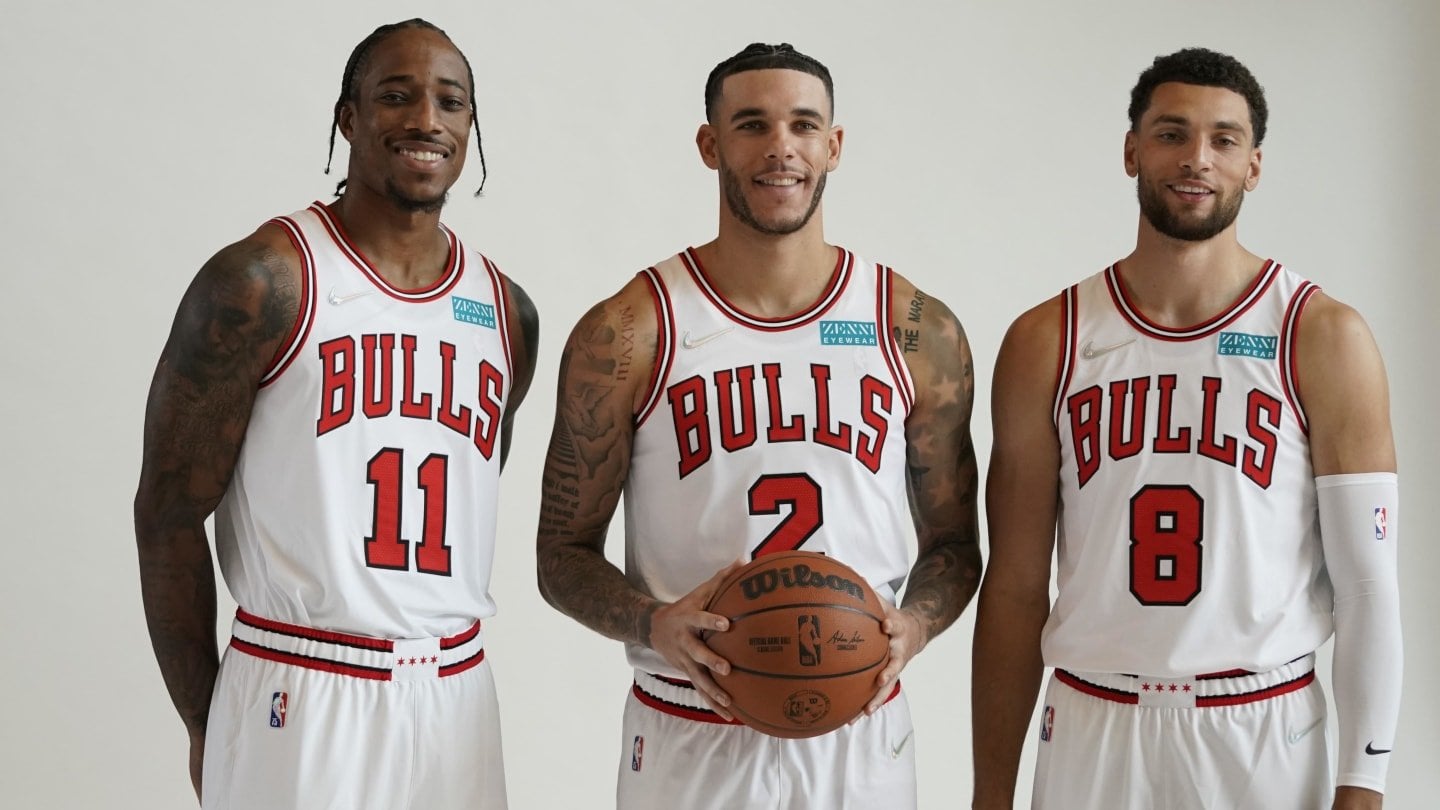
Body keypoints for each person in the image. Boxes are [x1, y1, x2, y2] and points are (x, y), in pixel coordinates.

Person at [535, 42, 981, 810]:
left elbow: (955, 545)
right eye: (752, 125)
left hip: (859, 728)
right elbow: (560, 555)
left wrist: (913, 627)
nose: (781, 147)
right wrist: (653, 621)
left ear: (834, 145)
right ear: (710, 145)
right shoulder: (632, 330)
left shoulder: (913, 329)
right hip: (689, 721)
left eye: (804, 125)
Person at [972, 47, 1401, 810]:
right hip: (1093, 718)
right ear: (1131, 150)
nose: (1196, 158)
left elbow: (1367, 584)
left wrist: (1364, 783)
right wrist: (990, 793)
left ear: (1253, 166)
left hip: (1262, 723)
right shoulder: (1048, 339)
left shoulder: (1321, 335)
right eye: (1171, 134)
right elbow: (1013, 587)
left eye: (1223, 139)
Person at [133, 19, 537, 809]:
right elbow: (166, 515)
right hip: (299, 684)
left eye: (450, 101)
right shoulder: (263, 282)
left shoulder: (505, 310)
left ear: (470, 125)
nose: (426, 119)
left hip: (456, 694)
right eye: (397, 96)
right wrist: (205, 720)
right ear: (348, 118)